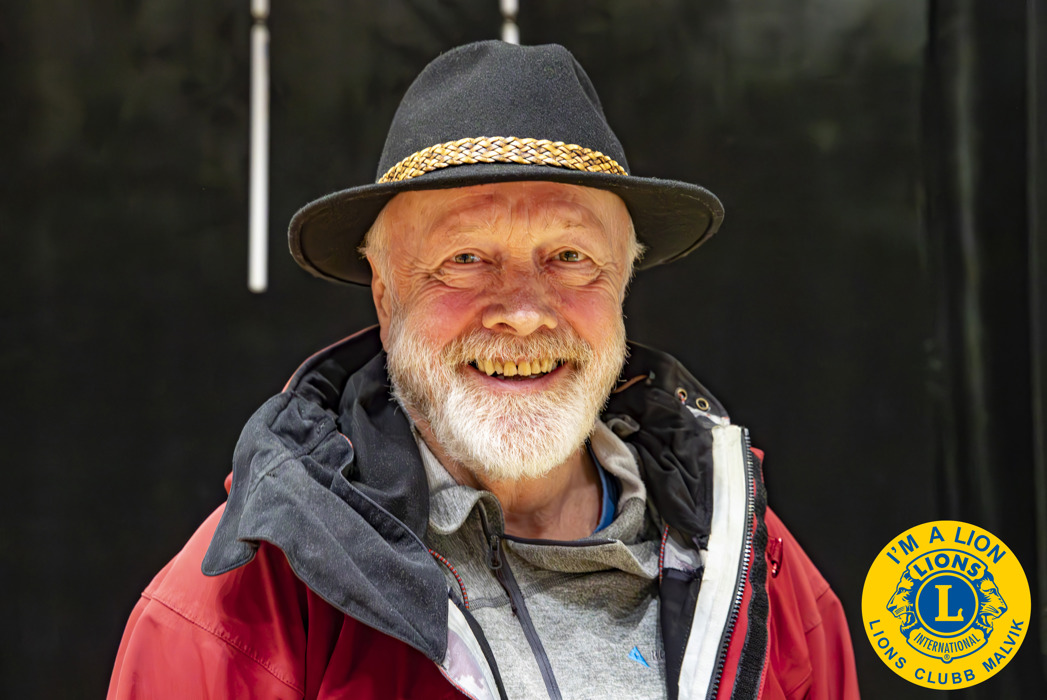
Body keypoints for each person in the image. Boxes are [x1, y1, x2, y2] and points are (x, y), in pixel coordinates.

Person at [108, 41, 859, 699]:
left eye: (570, 256)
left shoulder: (759, 570)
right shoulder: (244, 608)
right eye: (465, 258)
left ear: (623, 284)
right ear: (384, 293)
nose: (525, 313)